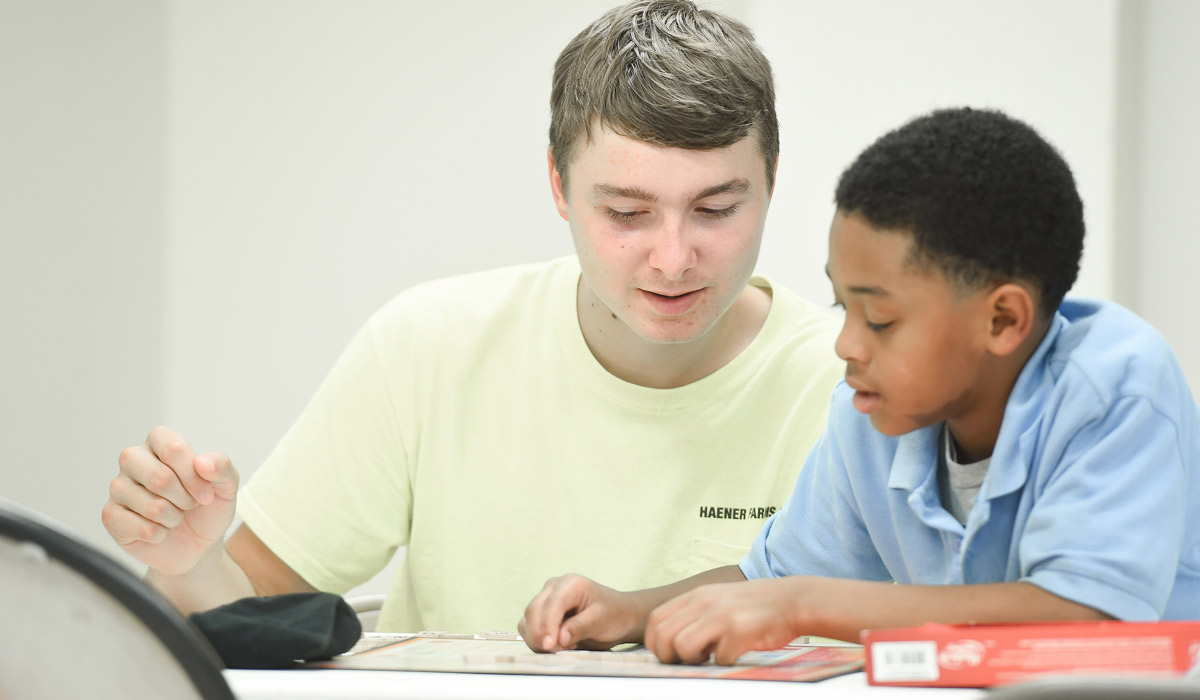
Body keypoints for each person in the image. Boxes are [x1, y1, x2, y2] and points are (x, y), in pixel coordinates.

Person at [100, 0, 845, 633]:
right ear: (559, 187)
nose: (673, 258)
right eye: (627, 212)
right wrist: (195, 564)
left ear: (771, 181)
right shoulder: (428, 348)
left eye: (716, 208)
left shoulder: (850, 385)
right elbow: (244, 618)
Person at [519, 106, 1200, 665]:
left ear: (1002, 319)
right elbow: (772, 581)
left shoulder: (1117, 388)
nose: (846, 344)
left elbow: (1081, 619)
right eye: (845, 308)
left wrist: (802, 608)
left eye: (880, 318)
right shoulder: (871, 410)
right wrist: (633, 609)